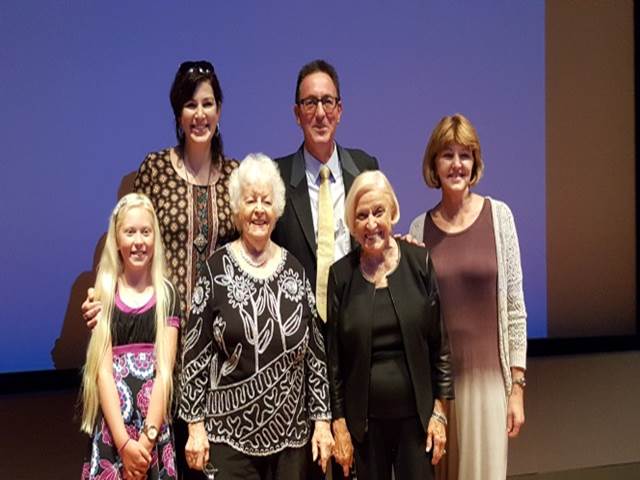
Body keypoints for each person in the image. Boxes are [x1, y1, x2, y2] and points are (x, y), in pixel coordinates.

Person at [83, 60, 239, 479]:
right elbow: (128, 236)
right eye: (190, 105)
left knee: (213, 463)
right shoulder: (155, 168)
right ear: (178, 115)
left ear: (220, 111)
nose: (200, 114)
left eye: (208, 103)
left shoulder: (235, 176)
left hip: (219, 347)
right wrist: (100, 295)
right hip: (158, 339)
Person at [179, 154, 334, 480]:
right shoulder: (214, 272)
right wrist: (194, 426)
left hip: (292, 440)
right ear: (237, 209)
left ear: (277, 208)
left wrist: (322, 421)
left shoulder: (295, 271)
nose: (259, 209)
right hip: (227, 440)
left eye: (266, 201)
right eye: (250, 201)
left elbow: (316, 356)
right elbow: (194, 353)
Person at [409, 113, 527, 480]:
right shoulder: (418, 228)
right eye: (447, 154)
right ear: (434, 163)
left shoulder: (499, 217)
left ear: (475, 162)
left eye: (465, 155)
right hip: (439, 391)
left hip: (489, 386)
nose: (456, 164)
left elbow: (515, 308)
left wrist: (517, 388)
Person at [326, 171, 454, 480]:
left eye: (378, 212)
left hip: (417, 422)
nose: (371, 223)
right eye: (361, 215)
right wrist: (339, 423)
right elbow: (333, 361)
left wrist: (440, 413)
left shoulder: (419, 261)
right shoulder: (341, 276)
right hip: (363, 428)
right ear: (352, 225)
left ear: (392, 212)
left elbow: (441, 347)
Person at [80, 193, 181, 479]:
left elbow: (164, 373)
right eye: (130, 232)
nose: (139, 241)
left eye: (145, 232)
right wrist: (124, 444)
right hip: (114, 433)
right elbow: (103, 373)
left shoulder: (166, 295)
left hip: (154, 431)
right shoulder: (104, 296)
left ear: (155, 238)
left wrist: (147, 439)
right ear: (117, 239)